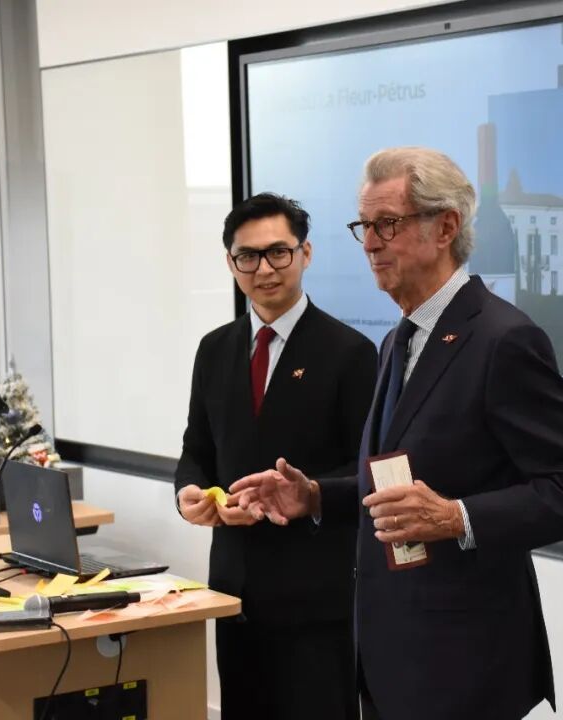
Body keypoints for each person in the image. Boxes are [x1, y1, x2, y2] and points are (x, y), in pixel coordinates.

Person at [232, 148, 563, 720]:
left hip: (464, 665)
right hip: (389, 657)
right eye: (364, 225)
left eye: (387, 224)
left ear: (446, 227)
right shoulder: (398, 340)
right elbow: (401, 485)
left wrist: (458, 517)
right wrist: (314, 496)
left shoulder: (503, 340)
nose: (370, 243)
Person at [174, 192, 377, 720]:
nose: (264, 269)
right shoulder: (214, 349)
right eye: (248, 256)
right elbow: (197, 449)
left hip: (316, 598)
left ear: (305, 254)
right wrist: (188, 493)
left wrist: (308, 494)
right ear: (230, 263)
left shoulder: (350, 352)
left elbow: (367, 471)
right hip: (234, 591)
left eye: (278, 252)